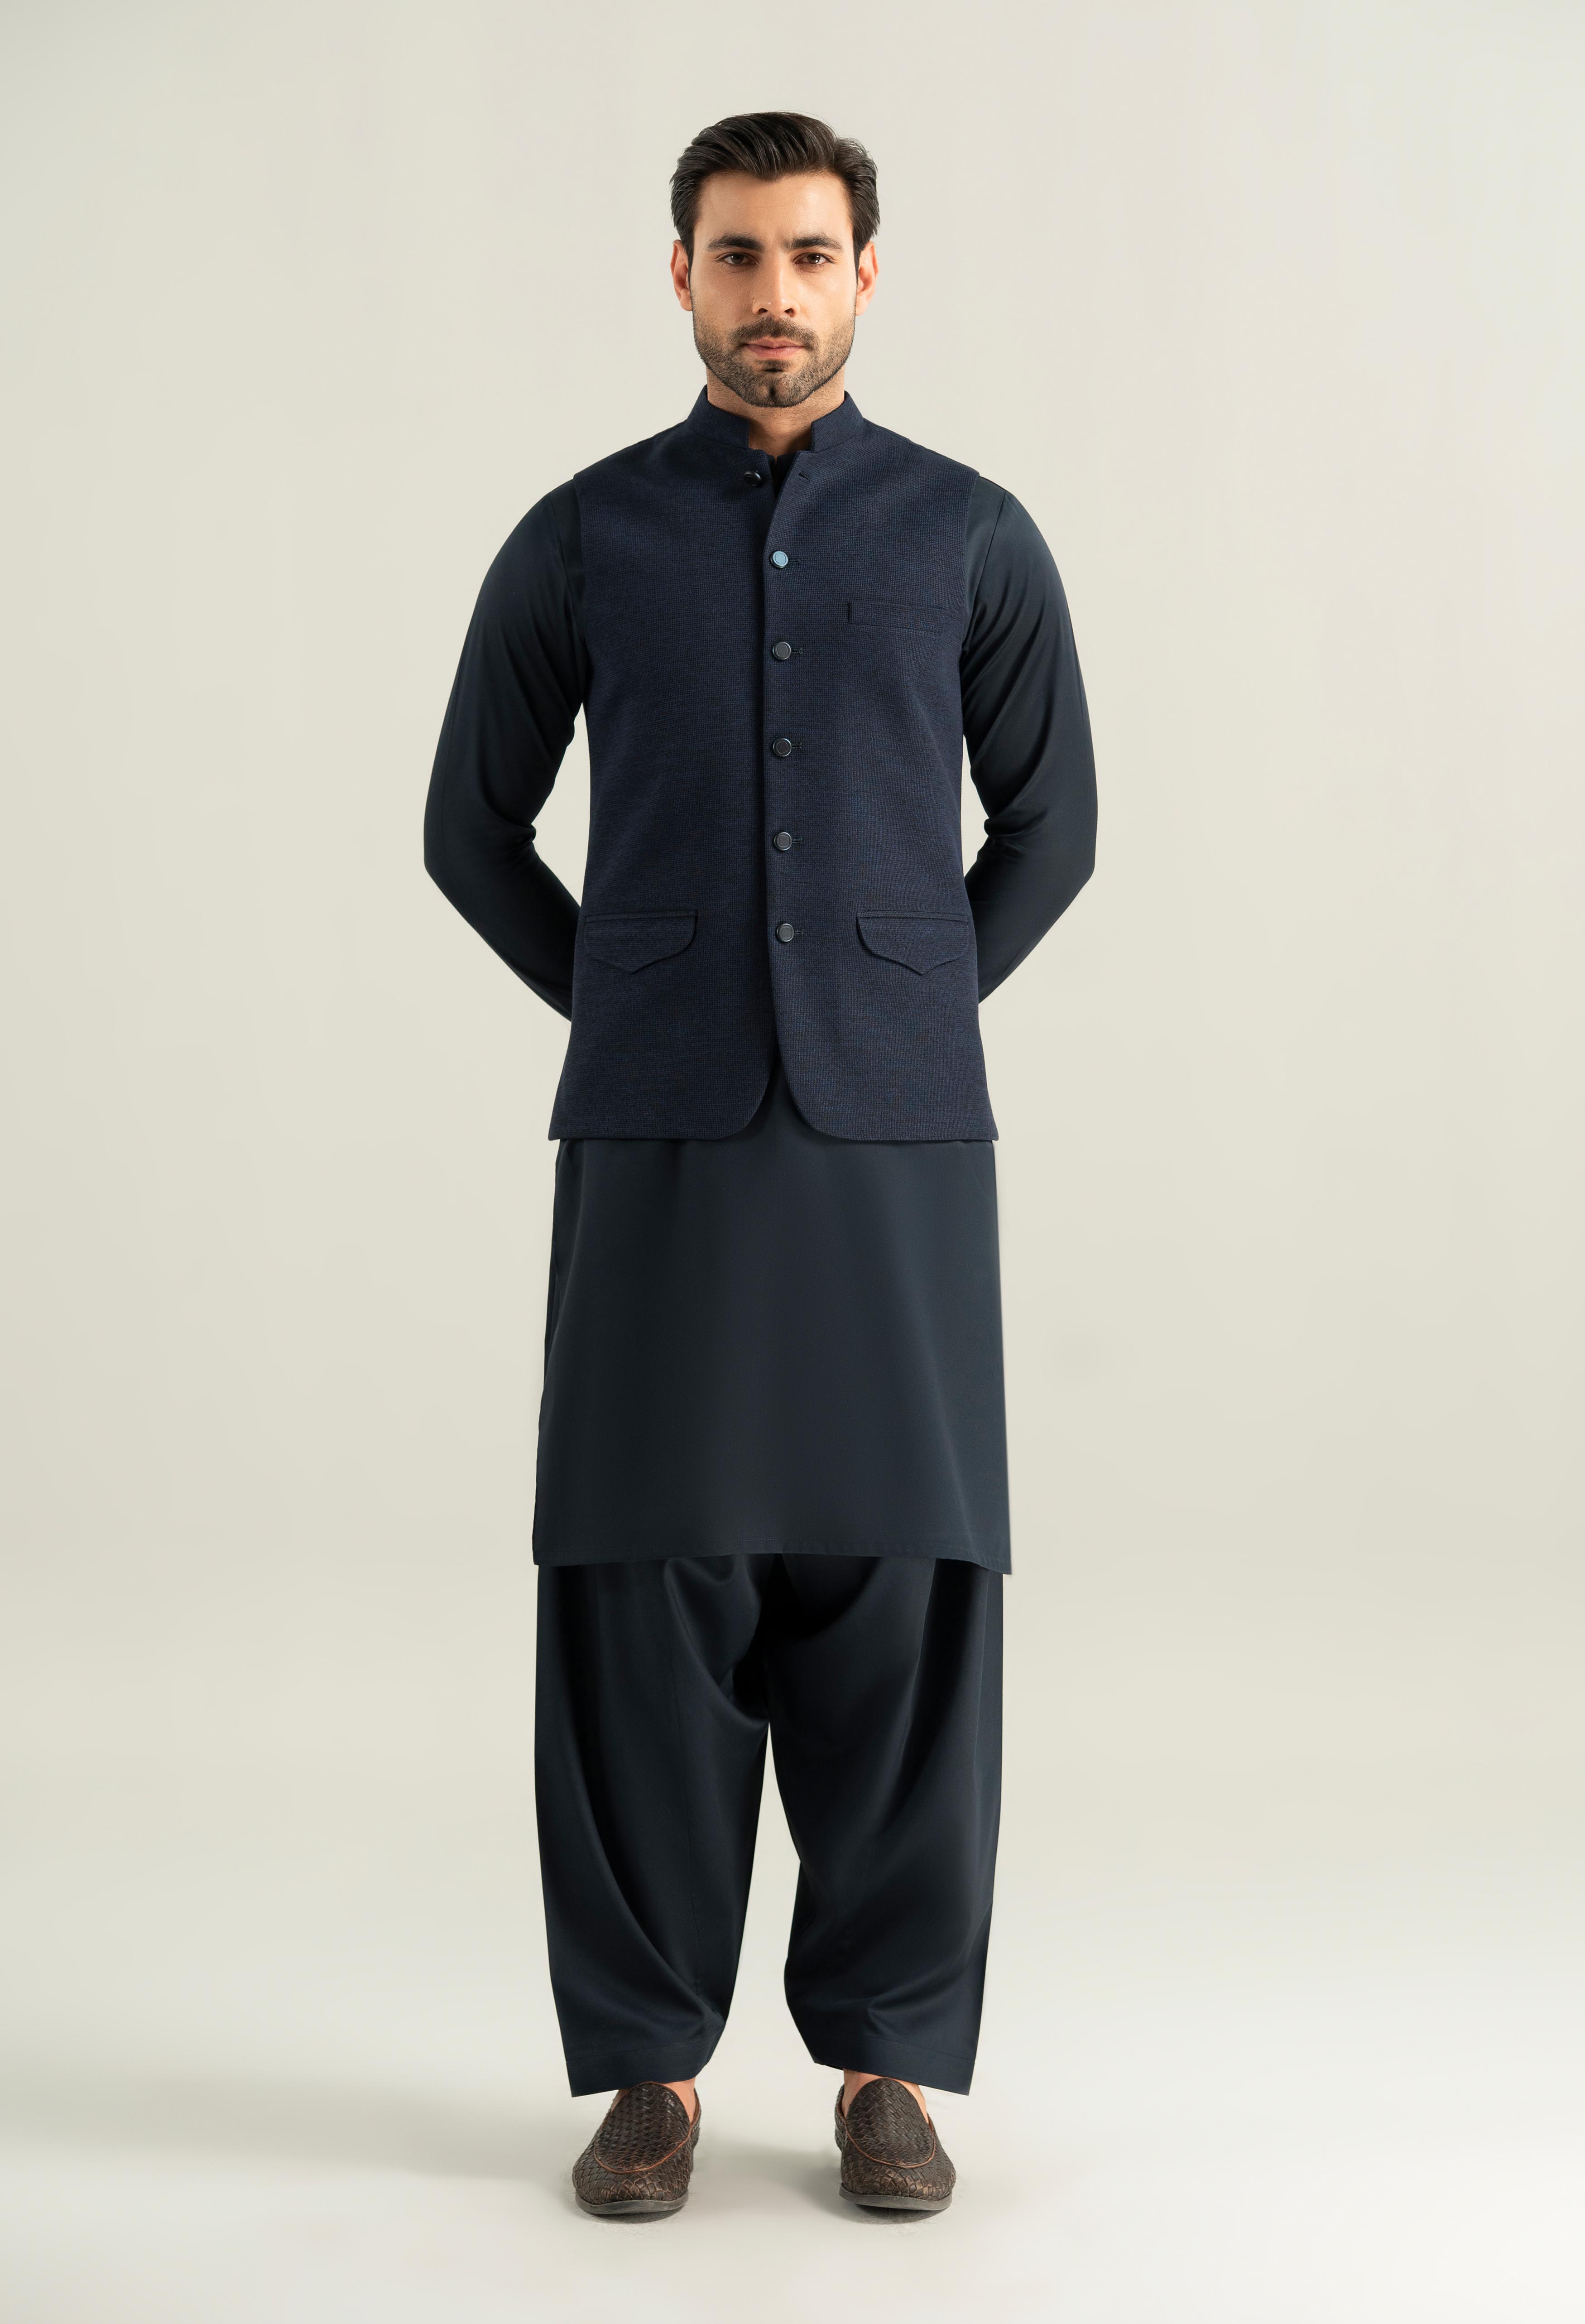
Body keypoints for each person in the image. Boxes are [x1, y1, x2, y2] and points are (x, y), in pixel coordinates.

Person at [423, 110, 1096, 2219]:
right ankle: (648, 2068)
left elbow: (1052, 828)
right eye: (736, 255)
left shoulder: (971, 534)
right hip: (659, 1151)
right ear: (682, 275)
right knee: (640, 1585)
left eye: (809, 255)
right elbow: (467, 828)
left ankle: (890, 2064)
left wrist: (887, 1008)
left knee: (905, 1590)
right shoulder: (584, 536)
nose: (773, 294)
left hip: (898, 1160)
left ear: (866, 275)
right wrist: (637, 1006)